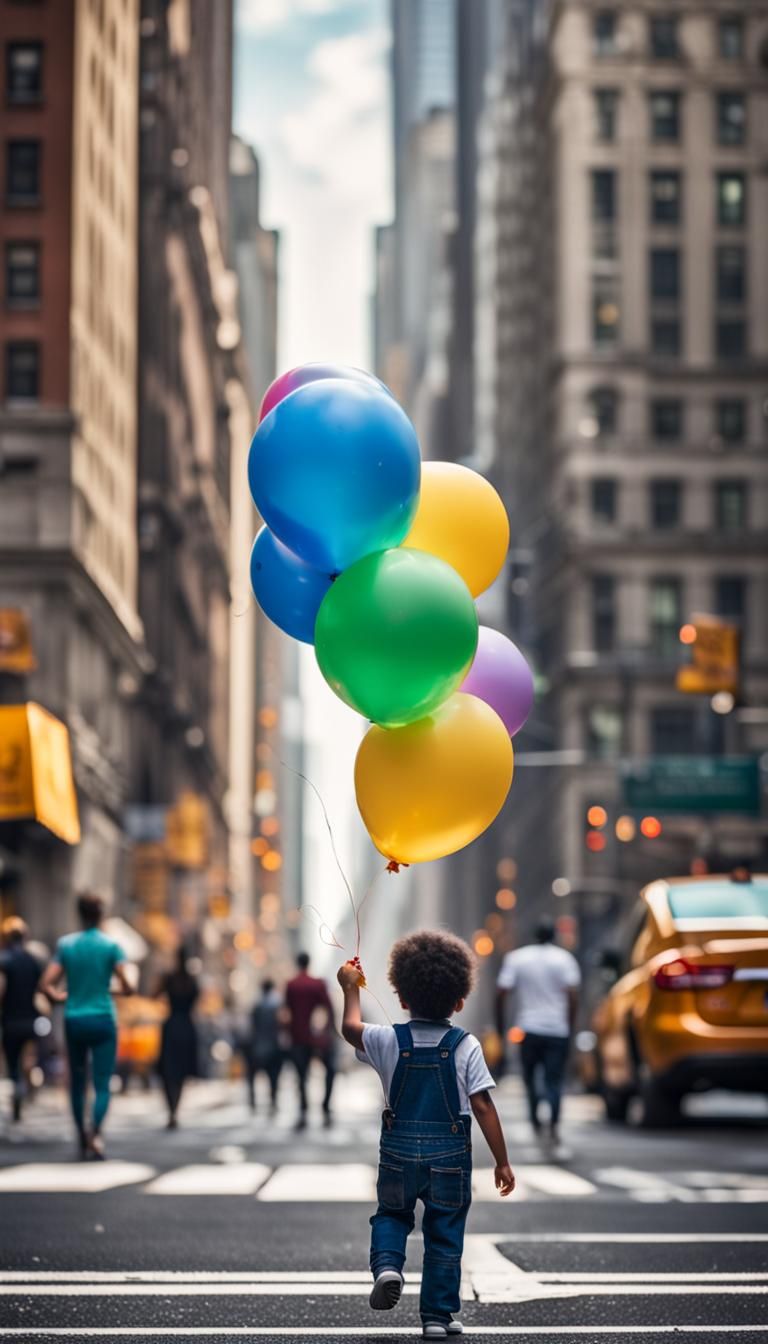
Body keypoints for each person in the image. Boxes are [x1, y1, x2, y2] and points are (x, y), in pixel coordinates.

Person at [338, 930, 515, 1341]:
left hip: (399, 1154)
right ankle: (436, 1317)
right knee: (445, 1234)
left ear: (401, 997)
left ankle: (386, 1266)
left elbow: (349, 1027)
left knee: (391, 1215)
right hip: (450, 1158)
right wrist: (502, 1161)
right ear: (459, 1001)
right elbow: (484, 1106)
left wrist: (350, 988)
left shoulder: (387, 1039)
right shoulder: (465, 1045)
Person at [40, 893, 133, 1159]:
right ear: (101, 914)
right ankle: (96, 1133)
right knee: (103, 1083)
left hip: (74, 1019)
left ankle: (81, 1134)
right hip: (104, 1019)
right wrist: (112, 988)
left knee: (78, 1082)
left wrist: (60, 996)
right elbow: (129, 986)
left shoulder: (66, 945)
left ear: (79, 914)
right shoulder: (111, 946)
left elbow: (46, 985)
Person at [496, 917, 581, 1148]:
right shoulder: (565, 959)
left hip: (528, 1029)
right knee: (554, 1080)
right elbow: (572, 996)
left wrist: (500, 1026)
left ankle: (535, 1120)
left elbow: (502, 992)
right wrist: (569, 1026)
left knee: (530, 1078)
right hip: (557, 1030)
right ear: (553, 935)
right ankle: (553, 1123)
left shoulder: (517, 958)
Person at [285, 951, 335, 1129]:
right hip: (318, 1038)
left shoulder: (291, 985)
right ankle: (326, 1109)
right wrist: (328, 1030)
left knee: (301, 1076)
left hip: (298, 1037)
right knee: (330, 1071)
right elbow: (329, 1008)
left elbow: (287, 1012)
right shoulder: (318, 984)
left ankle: (303, 1111)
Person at [0, 917, 43, 1122]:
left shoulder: (4, 960)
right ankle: (31, 1078)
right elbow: (41, 991)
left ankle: (18, 1086)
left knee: (12, 1062)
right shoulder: (33, 960)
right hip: (31, 1020)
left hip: (10, 1021)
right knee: (29, 1056)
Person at [156, 947, 200, 1129]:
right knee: (180, 1072)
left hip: (172, 1025)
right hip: (187, 1026)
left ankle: (171, 1109)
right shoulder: (192, 981)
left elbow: (154, 994)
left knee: (168, 1071)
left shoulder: (169, 979)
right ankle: (175, 1109)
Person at [245, 979, 284, 1114]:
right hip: (273, 1044)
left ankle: (253, 1101)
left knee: (252, 1075)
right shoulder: (276, 1004)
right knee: (273, 1076)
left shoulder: (257, 1004)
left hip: (258, 1044)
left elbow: (252, 1025)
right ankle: (273, 1101)